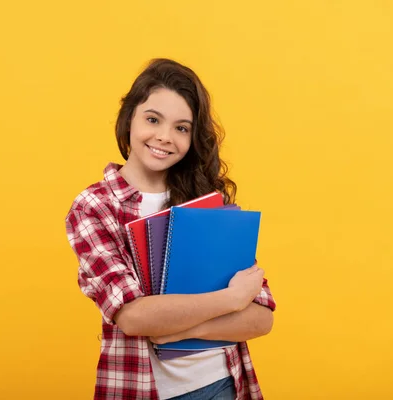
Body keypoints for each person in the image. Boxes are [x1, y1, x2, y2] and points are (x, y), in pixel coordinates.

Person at [65, 58, 276, 400]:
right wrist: (230, 299)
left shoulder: (208, 201)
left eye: (182, 128)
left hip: (222, 384)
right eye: (152, 119)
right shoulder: (96, 206)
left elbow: (261, 318)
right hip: (143, 389)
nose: (164, 137)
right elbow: (133, 317)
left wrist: (178, 329)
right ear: (129, 118)